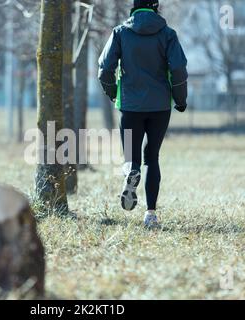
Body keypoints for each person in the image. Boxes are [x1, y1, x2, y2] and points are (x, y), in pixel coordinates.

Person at [98, 0, 188, 228]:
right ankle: (150, 214)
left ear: (134, 7)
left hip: (130, 105)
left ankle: (132, 172)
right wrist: (180, 99)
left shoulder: (120, 33)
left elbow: (105, 69)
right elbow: (178, 70)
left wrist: (113, 93)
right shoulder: (168, 34)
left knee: (131, 155)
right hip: (159, 106)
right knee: (153, 157)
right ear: (156, 7)